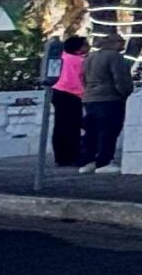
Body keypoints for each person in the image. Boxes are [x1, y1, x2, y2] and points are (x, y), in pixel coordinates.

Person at [78, 32, 134, 172]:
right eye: (121, 42)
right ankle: (104, 161)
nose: (123, 45)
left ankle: (88, 161)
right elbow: (120, 79)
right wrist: (126, 94)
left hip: (90, 98)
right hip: (109, 98)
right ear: (114, 43)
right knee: (108, 131)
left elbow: (83, 78)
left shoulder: (90, 57)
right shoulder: (115, 57)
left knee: (91, 131)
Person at [49, 36, 87, 170]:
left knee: (60, 126)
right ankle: (72, 155)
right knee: (73, 126)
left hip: (58, 91)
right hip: (73, 94)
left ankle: (60, 157)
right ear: (78, 48)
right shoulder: (80, 61)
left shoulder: (62, 58)